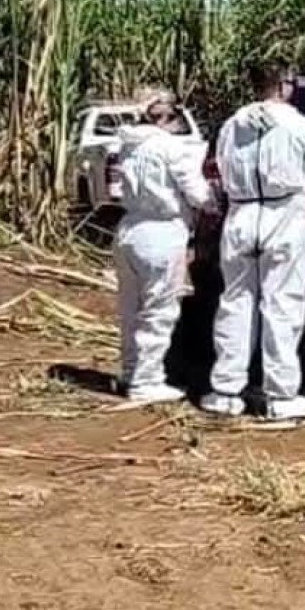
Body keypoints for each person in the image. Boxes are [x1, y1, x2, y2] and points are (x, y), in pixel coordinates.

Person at [201, 62, 305, 423]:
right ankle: (280, 394)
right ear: (285, 85)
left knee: (235, 302)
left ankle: (225, 391)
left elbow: (221, 169)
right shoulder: (303, 126)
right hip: (284, 213)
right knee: (282, 304)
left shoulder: (231, 125)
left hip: (241, 215)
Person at [114, 93, 218, 404]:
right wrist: (213, 204)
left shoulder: (127, 145)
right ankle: (147, 380)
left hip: (129, 228)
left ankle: (131, 372)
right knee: (159, 309)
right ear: (162, 118)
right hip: (162, 231)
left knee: (130, 309)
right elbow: (197, 193)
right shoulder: (171, 148)